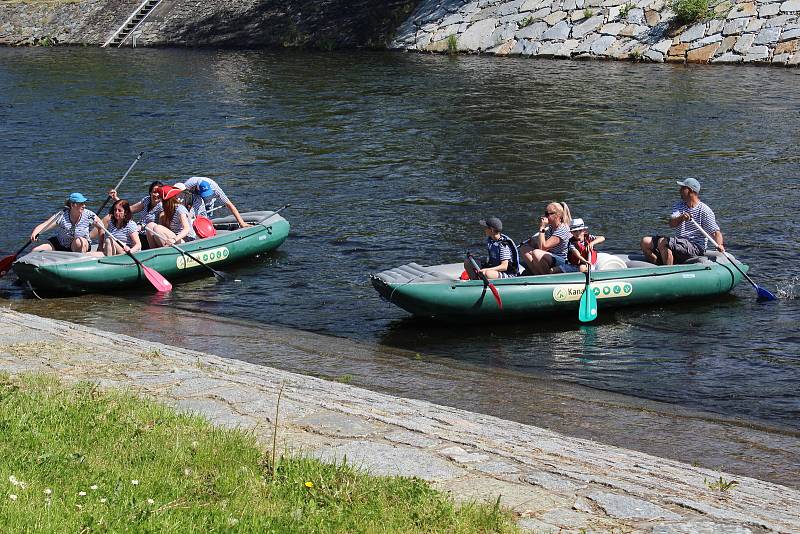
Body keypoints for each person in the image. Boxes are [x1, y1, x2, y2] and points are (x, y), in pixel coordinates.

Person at [640, 178, 724, 265]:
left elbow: (715, 232)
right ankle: (659, 266)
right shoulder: (679, 205)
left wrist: (720, 244)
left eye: (683, 188)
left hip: (695, 246)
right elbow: (672, 224)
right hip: (680, 242)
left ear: (690, 190)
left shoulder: (704, 210)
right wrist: (681, 218)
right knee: (645, 241)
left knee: (664, 242)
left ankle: (669, 272)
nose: (679, 191)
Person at [30, 193, 102, 253]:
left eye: (84, 203)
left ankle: (79, 261)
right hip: (61, 243)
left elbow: (101, 227)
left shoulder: (89, 215)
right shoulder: (62, 215)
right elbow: (46, 224)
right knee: (35, 251)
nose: (84, 205)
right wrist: (35, 232)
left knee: (79, 242)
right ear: (72, 205)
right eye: (81, 203)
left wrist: (100, 246)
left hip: (80, 244)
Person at [519, 202, 572, 275]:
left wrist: (542, 227)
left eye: (547, 214)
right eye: (545, 213)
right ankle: (537, 273)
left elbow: (543, 248)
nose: (545, 217)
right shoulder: (551, 227)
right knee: (523, 249)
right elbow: (545, 247)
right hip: (551, 256)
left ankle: (546, 276)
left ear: (558, 215)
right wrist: (534, 243)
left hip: (562, 260)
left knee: (536, 253)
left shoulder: (562, 229)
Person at [176, 177, 250, 228]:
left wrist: (241, 223)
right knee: (193, 212)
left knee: (207, 214)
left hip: (210, 199)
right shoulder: (188, 185)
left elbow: (229, 204)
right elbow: (181, 199)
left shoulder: (215, 189)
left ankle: (207, 226)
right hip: (193, 195)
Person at [109, 180, 163, 250]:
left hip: (150, 237)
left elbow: (160, 227)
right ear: (150, 192)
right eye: (154, 192)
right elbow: (129, 210)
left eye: (159, 192)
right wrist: (115, 198)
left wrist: (141, 226)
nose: (156, 195)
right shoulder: (147, 200)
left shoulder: (162, 207)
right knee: (109, 217)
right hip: (138, 234)